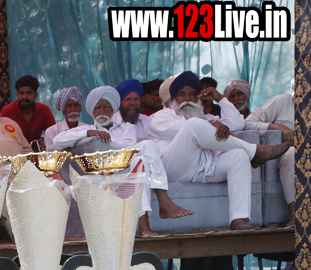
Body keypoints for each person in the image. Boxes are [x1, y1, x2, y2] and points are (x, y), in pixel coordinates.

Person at [148, 71, 290, 230]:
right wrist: (211, 124)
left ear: (198, 98)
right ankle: (255, 152)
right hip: (174, 169)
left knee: (239, 155)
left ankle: (238, 219)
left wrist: (220, 98)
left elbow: (237, 124)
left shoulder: (206, 118)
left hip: (204, 168)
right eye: (182, 94)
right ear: (174, 98)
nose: (187, 99)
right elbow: (187, 130)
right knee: (193, 125)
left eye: (192, 94)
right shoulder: (162, 116)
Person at [53, 85, 189, 236]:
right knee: (146, 151)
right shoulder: (87, 129)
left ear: (113, 110)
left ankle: (145, 225)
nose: (102, 111)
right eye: (98, 107)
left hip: (126, 169)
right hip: (102, 174)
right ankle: (160, 203)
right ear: (92, 111)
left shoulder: (126, 127)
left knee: (142, 158)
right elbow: (58, 140)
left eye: (106, 107)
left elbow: (128, 146)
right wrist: (89, 133)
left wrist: (107, 140)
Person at [244, 90, 295, 221]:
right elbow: (248, 123)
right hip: (290, 152)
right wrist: (277, 127)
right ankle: (295, 214)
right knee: (291, 154)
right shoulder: (284, 101)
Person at [0, 75, 55, 149]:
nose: (24, 97)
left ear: (35, 95)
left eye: (28, 93)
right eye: (21, 93)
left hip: (36, 153)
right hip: (14, 153)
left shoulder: (44, 110)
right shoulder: (7, 111)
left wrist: (47, 142)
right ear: (17, 95)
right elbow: (0, 136)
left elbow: (53, 136)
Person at [43, 86, 83, 151]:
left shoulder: (89, 129)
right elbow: (52, 154)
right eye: (69, 106)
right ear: (63, 109)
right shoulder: (52, 132)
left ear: (80, 107)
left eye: (76, 105)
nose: (73, 109)